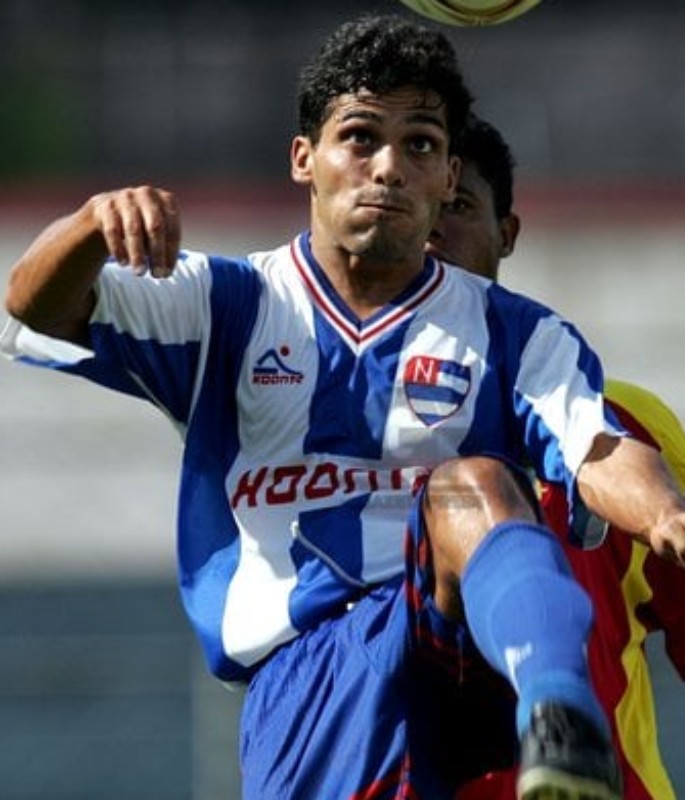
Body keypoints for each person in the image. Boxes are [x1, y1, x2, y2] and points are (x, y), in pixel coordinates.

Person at [3, 14, 685, 800]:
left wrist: (668, 516)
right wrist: (89, 227)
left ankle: (561, 720)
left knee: (474, 487)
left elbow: (598, 447)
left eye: (419, 145)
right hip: (311, 678)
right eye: (360, 138)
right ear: (304, 158)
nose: (388, 168)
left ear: (447, 175)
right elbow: (32, 306)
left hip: (458, 655)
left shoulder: (516, 333)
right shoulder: (224, 302)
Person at [427, 114, 685, 799]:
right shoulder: (328, 441)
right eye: (415, 205)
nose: (431, 229)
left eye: (456, 205)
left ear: (506, 233)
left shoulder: (622, 425)